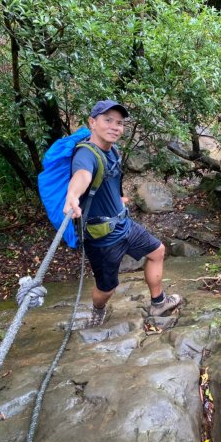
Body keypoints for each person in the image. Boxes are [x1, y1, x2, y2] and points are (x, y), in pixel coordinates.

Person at [63, 100, 181, 327]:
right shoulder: (85, 154)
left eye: (119, 123)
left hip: (124, 225)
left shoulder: (113, 150)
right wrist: (72, 196)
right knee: (107, 288)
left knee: (157, 251)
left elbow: (106, 181)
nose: (115, 127)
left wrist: (118, 199)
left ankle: (158, 302)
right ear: (92, 122)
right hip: (102, 238)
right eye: (108, 120)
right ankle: (98, 310)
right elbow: (83, 175)